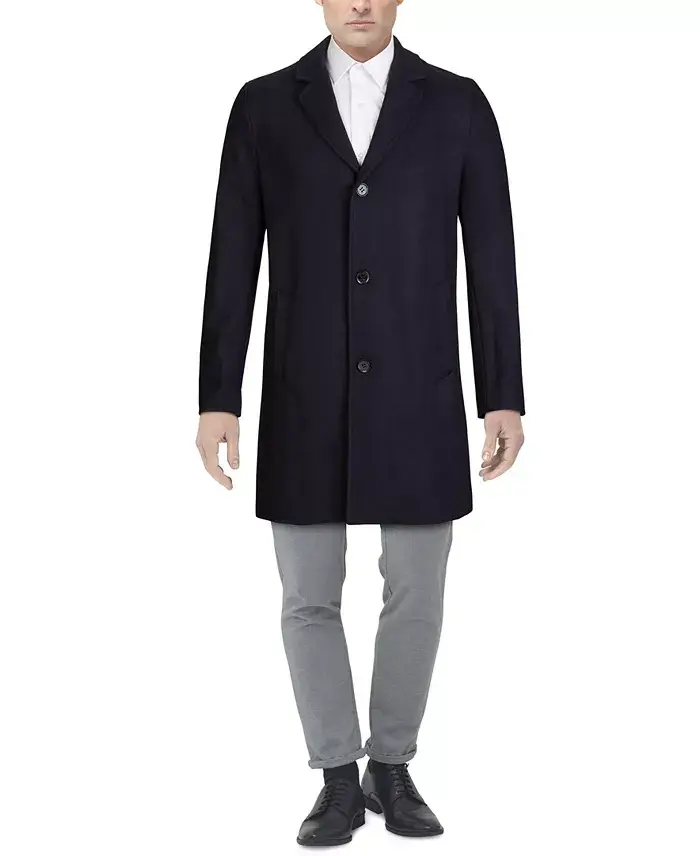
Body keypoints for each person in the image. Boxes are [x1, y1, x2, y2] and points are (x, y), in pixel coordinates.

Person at [196, 0, 525, 846]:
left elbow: (491, 257)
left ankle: (393, 765)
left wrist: (503, 393)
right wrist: (218, 396)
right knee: (307, 596)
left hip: (420, 390)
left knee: (417, 590)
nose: (361, 4)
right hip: (303, 392)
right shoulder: (264, 106)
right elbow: (232, 254)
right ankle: (337, 779)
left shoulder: (457, 104)